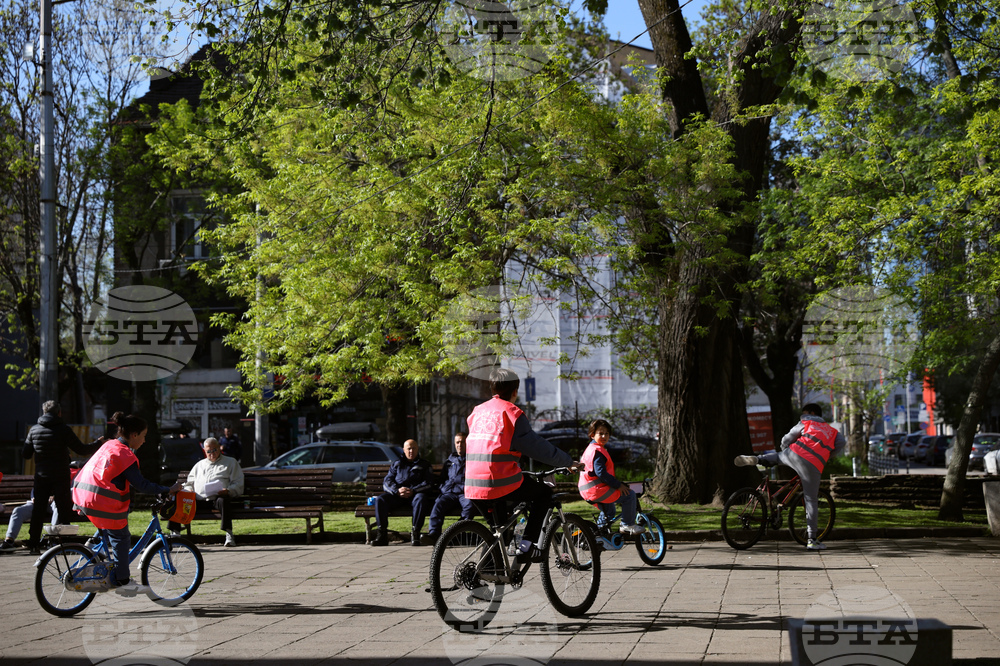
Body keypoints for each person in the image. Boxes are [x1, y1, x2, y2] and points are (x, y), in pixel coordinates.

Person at [465, 368, 579, 561]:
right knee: (543, 494)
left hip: (472, 484)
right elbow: (537, 447)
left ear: (492, 388)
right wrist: (568, 461)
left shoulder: (477, 411)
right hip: (499, 482)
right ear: (515, 391)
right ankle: (527, 547)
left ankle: (485, 576)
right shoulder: (512, 413)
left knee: (500, 532)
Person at [72, 414, 180, 594]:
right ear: (134, 434)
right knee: (121, 538)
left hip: (82, 495)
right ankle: (123, 581)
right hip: (100, 501)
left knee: (108, 529)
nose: (144, 441)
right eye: (144, 436)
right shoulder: (124, 454)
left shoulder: (109, 445)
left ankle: (93, 546)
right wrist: (168, 489)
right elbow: (142, 485)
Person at [735, 403, 846, 550]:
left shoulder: (807, 421)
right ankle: (812, 539)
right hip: (814, 463)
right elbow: (841, 443)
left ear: (812, 413)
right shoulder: (833, 431)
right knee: (811, 499)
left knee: (777, 457)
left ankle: (759, 459)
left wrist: (785, 449)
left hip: (795, 453)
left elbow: (787, 438)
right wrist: (826, 456)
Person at [23, 400, 104, 553]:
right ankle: (65, 543)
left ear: (44, 412)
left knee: (38, 510)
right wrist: (98, 443)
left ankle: (34, 543)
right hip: (60, 475)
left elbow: (25, 454)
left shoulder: (34, 430)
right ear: (59, 413)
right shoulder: (63, 430)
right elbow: (81, 449)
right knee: (63, 508)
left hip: (41, 476)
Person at [170, 437, 244, 547]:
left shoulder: (230, 462)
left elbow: (238, 482)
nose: (212, 453)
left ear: (219, 448)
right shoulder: (199, 465)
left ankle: (229, 534)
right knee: (180, 499)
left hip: (218, 499)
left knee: (224, 501)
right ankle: (175, 534)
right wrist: (189, 490)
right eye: (208, 451)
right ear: (205, 451)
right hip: (199, 499)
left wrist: (228, 490)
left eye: (214, 450)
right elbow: (189, 482)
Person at [578, 419, 645, 536]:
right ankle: (627, 525)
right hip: (596, 490)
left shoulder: (590, 449)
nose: (604, 436)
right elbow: (601, 473)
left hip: (586, 490)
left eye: (607, 433)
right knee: (629, 495)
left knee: (609, 511)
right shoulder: (598, 451)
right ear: (592, 435)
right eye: (601, 433)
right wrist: (618, 485)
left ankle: (597, 536)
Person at [370, 439, 434, 547]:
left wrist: (413, 490)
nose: (411, 451)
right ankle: (382, 535)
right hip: (397, 496)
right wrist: (397, 491)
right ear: (404, 450)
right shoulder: (396, 464)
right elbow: (387, 482)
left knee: (421, 499)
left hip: (415, 496)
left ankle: (416, 534)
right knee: (381, 499)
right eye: (408, 449)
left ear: (417, 449)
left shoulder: (425, 465)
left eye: (414, 448)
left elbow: (429, 483)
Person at [423, 432, 476, 545]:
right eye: (457, 442)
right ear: (454, 444)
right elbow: (442, 479)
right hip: (450, 493)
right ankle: (434, 534)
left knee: (470, 506)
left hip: (465, 493)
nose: (460, 445)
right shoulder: (449, 462)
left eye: (462, 442)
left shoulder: (473, 460)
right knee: (438, 505)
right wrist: (444, 488)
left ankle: (456, 534)